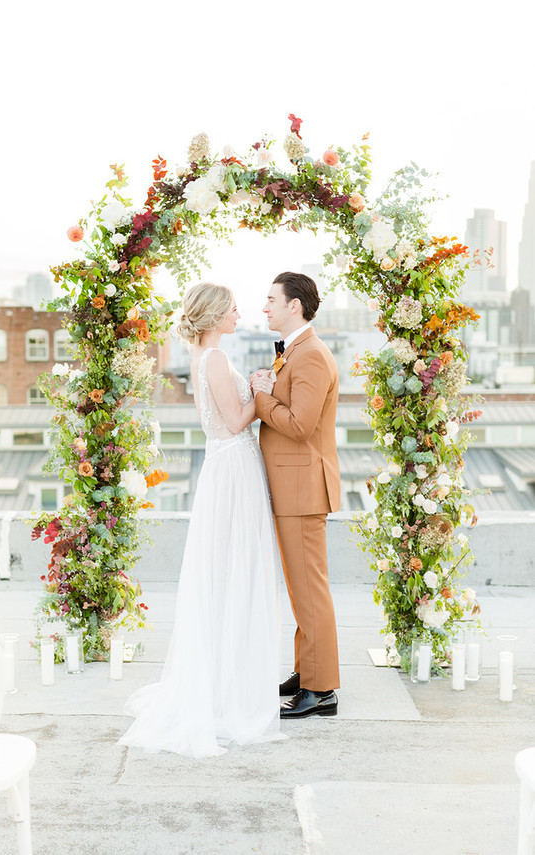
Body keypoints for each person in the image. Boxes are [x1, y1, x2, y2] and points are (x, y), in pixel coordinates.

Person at [119, 282, 284, 757]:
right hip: (234, 463)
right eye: (232, 307)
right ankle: (230, 687)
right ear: (213, 315)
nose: (239, 311)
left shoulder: (207, 357)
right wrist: (262, 390)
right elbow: (235, 422)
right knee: (236, 566)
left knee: (228, 567)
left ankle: (227, 674)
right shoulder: (213, 359)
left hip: (227, 465)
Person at [250, 271, 341, 719]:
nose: (264, 307)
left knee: (310, 592)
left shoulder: (310, 357)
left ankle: (321, 690)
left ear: (295, 306)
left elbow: (301, 425)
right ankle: (307, 673)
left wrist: (262, 396)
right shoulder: (297, 352)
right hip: (293, 488)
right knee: (301, 590)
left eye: (271, 300)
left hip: (303, 490)